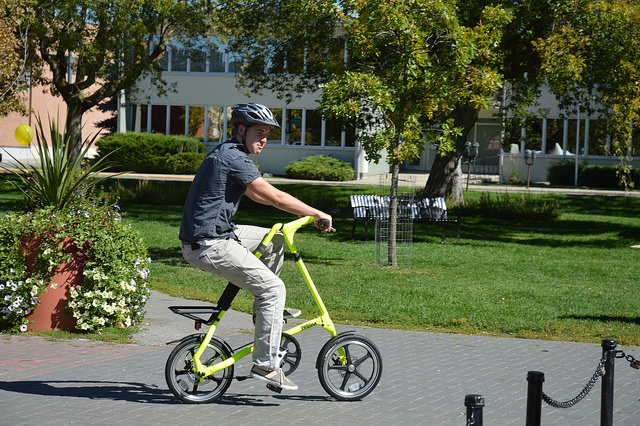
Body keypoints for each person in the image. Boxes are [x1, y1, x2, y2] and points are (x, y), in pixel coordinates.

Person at [179, 103, 333, 391]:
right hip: (210, 244)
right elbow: (273, 196)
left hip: (215, 235)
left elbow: (255, 193)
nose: (264, 138)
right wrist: (315, 213)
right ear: (240, 130)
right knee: (274, 289)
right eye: (258, 132)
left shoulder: (229, 153)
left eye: (267, 134)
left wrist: (295, 211)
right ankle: (265, 366)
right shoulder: (234, 157)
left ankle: (265, 313)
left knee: (273, 240)